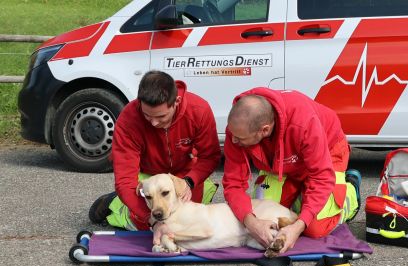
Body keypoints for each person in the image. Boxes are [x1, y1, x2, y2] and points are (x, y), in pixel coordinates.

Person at [222, 87, 361, 254]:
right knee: (265, 218)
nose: (233, 141)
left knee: (315, 228)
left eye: (240, 138)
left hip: (327, 153)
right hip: (285, 163)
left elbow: (321, 176)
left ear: (264, 130)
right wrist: (251, 223)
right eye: (232, 135)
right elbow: (233, 183)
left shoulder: (303, 122)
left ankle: (350, 192)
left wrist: (298, 226)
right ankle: (301, 196)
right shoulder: (239, 128)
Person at [89, 70, 221, 244]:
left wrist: (190, 181)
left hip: (184, 175)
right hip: (148, 177)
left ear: (176, 102)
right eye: (147, 116)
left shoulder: (199, 110)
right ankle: (115, 205)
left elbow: (210, 156)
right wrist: (151, 221)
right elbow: (125, 180)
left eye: (161, 116)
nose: (154, 123)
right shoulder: (128, 120)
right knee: (147, 226)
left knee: (189, 221)